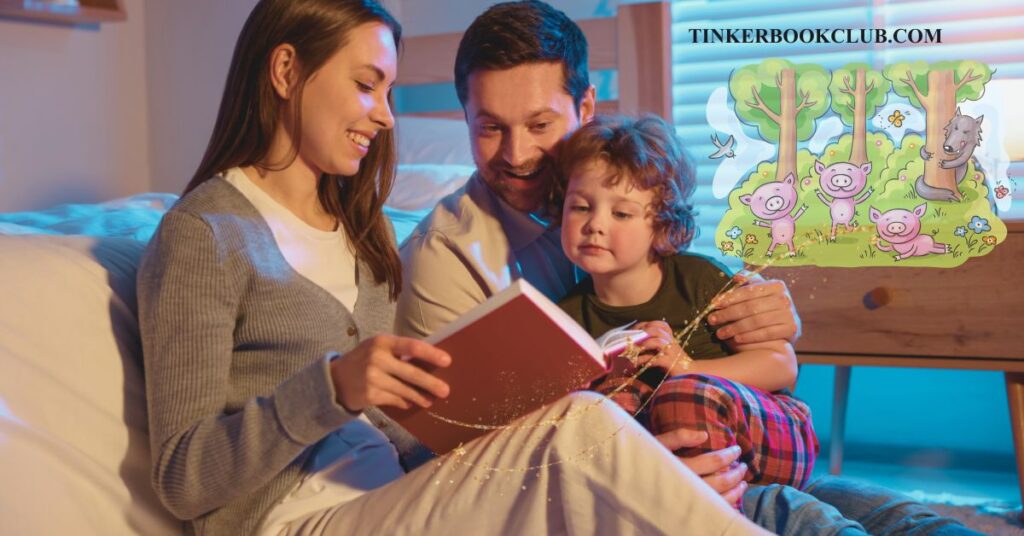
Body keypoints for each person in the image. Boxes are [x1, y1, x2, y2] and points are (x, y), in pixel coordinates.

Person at [137, 1, 767, 534]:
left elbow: (415, 441)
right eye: (367, 84)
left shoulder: (366, 233)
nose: (386, 115)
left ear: (585, 108)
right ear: (284, 69)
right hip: (297, 518)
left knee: (786, 496)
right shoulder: (205, 235)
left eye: (387, 90)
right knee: (585, 428)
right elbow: (182, 481)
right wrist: (330, 391)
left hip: (403, 498)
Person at [397, 2, 981, 535]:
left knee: (877, 508)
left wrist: (768, 315)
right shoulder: (443, 258)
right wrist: (654, 474)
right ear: (465, 118)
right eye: (490, 127)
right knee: (791, 509)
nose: (518, 154)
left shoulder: (623, 180)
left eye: (541, 125)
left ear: (586, 108)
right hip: (608, 470)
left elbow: (760, 343)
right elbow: (466, 456)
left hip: (724, 429)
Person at [554, 114, 818, 490]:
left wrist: (687, 365)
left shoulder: (698, 281)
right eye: (580, 207)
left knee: (682, 393)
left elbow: (781, 366)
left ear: (662, 224)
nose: (595, 224)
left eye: (621, 213)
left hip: (772, 435)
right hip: (679, 462)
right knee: (607, 406)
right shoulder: (566, 317)